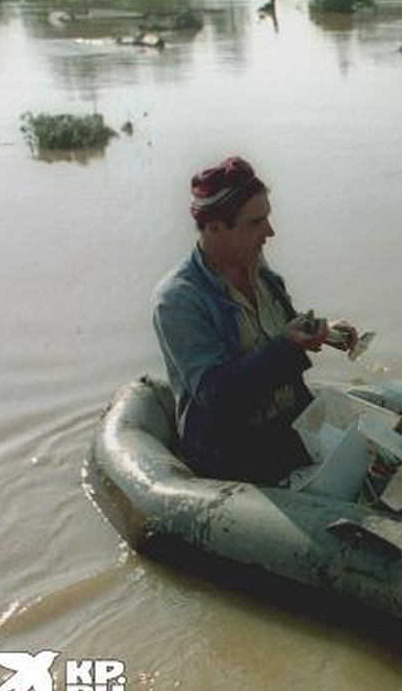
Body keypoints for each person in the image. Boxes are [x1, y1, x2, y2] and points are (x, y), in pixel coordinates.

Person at [152, 155, 359, 485]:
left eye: (267, 219)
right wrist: (285, 347)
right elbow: (216, 397)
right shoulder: (179, 300)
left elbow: (283, 324)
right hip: (235, 454)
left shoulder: (258, 269)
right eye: (255, 223)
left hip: (289, 429)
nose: (270, 232)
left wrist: (328, 331)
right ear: (215, 228)